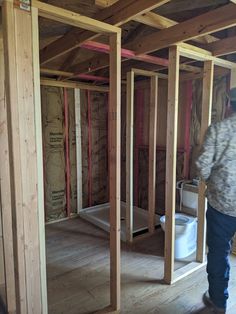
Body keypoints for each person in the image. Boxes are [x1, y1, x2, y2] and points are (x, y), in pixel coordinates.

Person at [196, 87, 236, 314]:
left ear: (229, 104)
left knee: (219, 254)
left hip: (222, 206)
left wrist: (213, 181)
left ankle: (218, 303)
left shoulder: (219, 129)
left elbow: (202, 165)